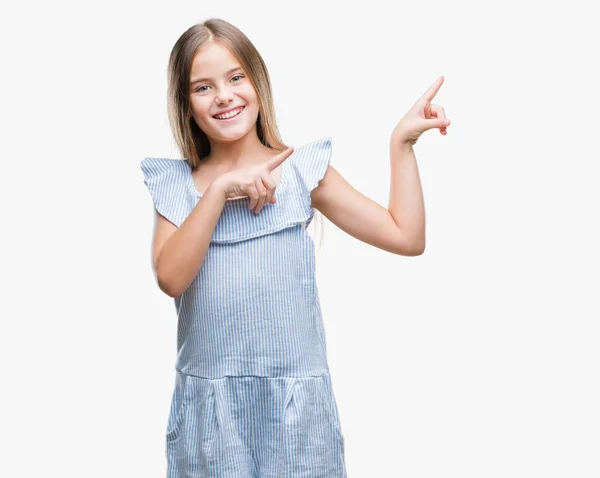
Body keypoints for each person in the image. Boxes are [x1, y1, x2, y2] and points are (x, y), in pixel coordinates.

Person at [140, 17, 450, 478]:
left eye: (235, 77)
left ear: (258, 83)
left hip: (295, 416)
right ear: (185, 105)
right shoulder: (178, 186)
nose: (223, 95)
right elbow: (170, 278)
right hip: (211, 417)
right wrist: (220, 191)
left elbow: (406, 237)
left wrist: (401, 145)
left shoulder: (303, 172)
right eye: (202, 87)